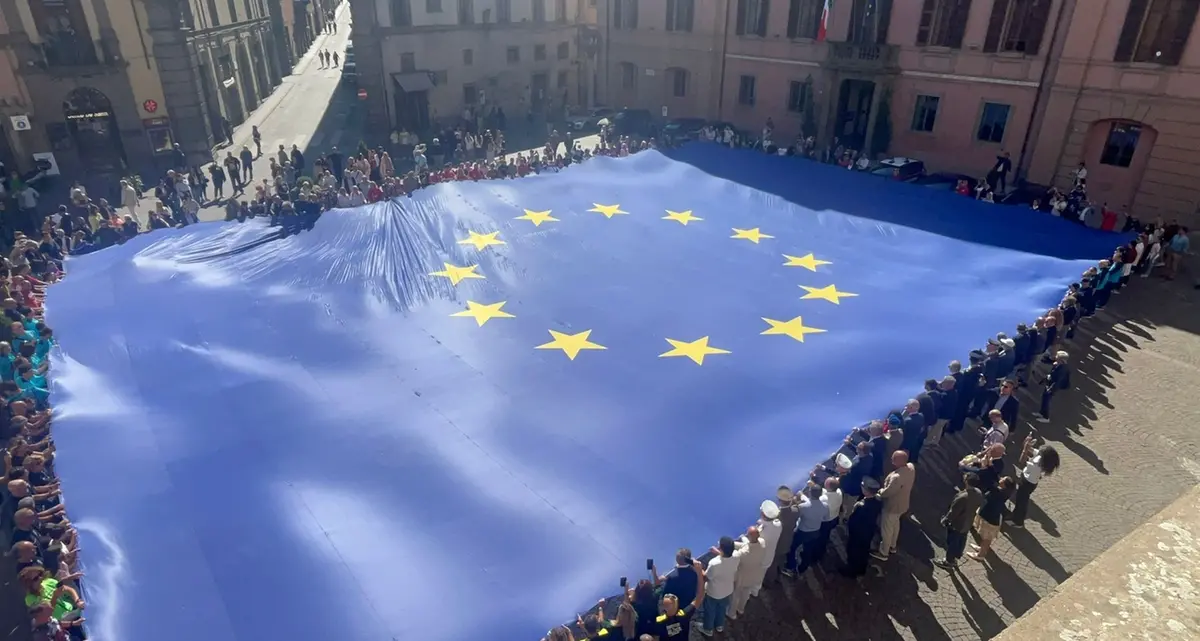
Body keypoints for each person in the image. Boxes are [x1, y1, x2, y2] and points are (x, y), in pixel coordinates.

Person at [1009, 436, 1061, 528]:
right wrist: (1027, 443)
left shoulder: (1036, 464)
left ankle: (1018, 521)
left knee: (1021, 502)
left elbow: (1021, 460)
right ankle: (1015, 516)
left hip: (1027, 483)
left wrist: (1025, 449)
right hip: (1029, 481)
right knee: (1021, 500)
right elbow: (1031, 450)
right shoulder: (1042, 458)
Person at [935, 472, 984, 570]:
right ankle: (956, 555)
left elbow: (953, 512)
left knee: (952, 542)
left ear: (967, 481)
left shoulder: (963, 497)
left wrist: (945, 520)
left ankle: (949, 561)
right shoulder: (978, 492)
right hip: (968, 522)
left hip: (958, 524)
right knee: (961, 540)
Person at [874, 450, 914, 561]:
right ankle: (893, 546)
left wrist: (880, 491)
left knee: (887, 529)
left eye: (894, 459)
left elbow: (888, 492)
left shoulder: (896, 477)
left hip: (892, 506)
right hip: (903, 505)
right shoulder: (911, 468)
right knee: (895, 525)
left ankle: (883, 552)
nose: (891, 461)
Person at [841, 477, 881, 577]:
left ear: (866, 491)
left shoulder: (861, 506)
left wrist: (849, 528)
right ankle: (861, 569)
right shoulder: (878, 501)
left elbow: (853, 522)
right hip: (869, 531)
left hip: (858, 534)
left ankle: (851, 571)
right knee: (864, 550)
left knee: (853, 551)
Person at [698, 536, 738, 637]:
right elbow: (727, 558)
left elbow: (706, 577)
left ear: (721, 548)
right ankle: (719, 626)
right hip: (728, 590)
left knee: (710, 611)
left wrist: (699, 568)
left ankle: (708, 629)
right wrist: (718, 552)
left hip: (714, 593)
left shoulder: (714, 563)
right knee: (722, 609)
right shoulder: (737, 556)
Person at [969, 476, 1015, 561]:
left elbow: (990, 479)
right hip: (992, 518)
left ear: (1004, 485)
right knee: (986, 537)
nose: (1000, 478)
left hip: (990, 520)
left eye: (1002, 479)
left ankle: (980, 555)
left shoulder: (997, 492)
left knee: (986, 538)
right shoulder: (1004, 493)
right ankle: (982, 549)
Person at [727, 525, 765, 620]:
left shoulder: (744, 553)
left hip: (741, 577)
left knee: (735, 595)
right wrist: (741, 539)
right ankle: (741, 609)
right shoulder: (762, 543)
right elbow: (748, 544)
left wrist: (727, 545)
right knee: (745, 594)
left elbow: (735, 555)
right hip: (753, 575)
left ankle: (731, 613)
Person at [1038, 351, 1071, 422]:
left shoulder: (1063, 369)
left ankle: (1046, 417)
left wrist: (1051, 389)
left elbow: (1058, 382)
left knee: (1047, 400)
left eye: (1057, 356)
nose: (1055, 357)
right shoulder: (1058, 364)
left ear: (1061, 360)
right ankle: (1041, 413)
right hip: (1050, 383)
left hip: (1052, 387)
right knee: (1044, 398)